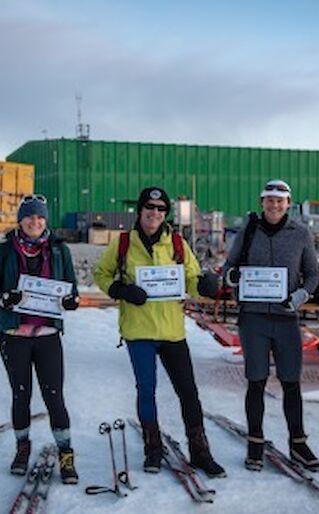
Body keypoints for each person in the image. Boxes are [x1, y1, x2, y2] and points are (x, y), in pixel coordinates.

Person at [93, 186, 226, 478]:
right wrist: (121, 290)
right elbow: (101, 274)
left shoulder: (177, 243)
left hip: (171, 331)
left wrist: (203, 286)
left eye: (161, 209)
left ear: (165, 214)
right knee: (146, 390)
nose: (155, 213)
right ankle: (153, 448)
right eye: (149, 208)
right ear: (140, 211)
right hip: (139, 331)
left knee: (188, 392)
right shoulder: (123, 243)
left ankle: (200, 451)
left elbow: (191, 277)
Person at [224, 179, 319, 472]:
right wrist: (235, 278)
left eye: (280, 201)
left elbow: (313, 275)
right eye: (270, 200)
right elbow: (229, 268)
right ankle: (255, 444)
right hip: (253, 318)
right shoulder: (248, 231)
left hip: (286, 318)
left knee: (291, 382)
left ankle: (298, 443)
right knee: (256, 381)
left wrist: (300, 296)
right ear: (262, 201)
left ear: (288, 204)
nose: (275, 205)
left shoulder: (301, 234)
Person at [0, 195, 80, 484]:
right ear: (20, 220)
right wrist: (4, 298)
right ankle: (22, 447)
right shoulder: (4, 251)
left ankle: (66, 452)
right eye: (29, 217)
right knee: (20, 394)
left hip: (48, 334)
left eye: (40, 217)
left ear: (45, 220)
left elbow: (71, 288)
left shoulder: (60, 251)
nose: (34, 222)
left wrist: (71, 301)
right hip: (14, 334)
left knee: (54, 395)